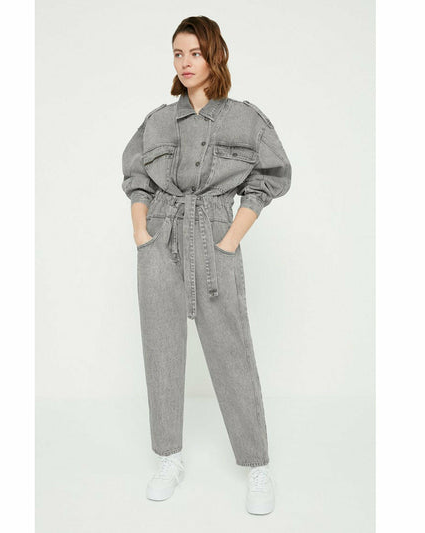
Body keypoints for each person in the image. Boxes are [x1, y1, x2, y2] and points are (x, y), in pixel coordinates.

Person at [121, 16, 292, 515]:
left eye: (194, 52)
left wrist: (230, 239)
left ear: (215, 55)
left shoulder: (245, 119)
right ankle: (168, 457)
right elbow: (137, 179)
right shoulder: (157, 121)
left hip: (214, 236)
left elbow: (269, 178)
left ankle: (256, 464)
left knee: (231, 348)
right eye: (178, 54)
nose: (185, 62)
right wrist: (142, 233)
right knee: (161, 348)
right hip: (161, 235)